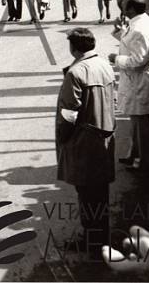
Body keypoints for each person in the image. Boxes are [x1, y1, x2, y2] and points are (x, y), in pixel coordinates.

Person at [55, 27, 116, 256]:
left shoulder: (76, 72)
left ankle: (92, 245)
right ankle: (102, 240)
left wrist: (63, 139)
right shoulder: (103, 65)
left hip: (84, 142)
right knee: (100, 195)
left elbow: (69, 114)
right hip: (105, 137)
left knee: (87, 196)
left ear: (74, 47)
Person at [108, 0, 149, 172]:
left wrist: (117, 59)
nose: (121, 8)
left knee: (140, 122)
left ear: (131, 9)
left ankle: (145, 160)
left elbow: (138, 60)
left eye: (123, 5)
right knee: (136, 121)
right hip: (137, 80)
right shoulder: (139, 22)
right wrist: (119, 31)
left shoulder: (139, 28)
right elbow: (131, 43)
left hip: (139, 81)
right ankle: (135, 154)